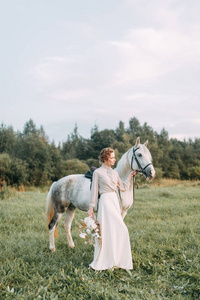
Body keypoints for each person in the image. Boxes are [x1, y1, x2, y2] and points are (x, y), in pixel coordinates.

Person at [87, 147, 136, 270]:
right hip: (105, 202)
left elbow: (123, 187)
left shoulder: (115, 173)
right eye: (112, 158)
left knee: (119, 230)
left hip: (114, 201)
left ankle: (118, 260)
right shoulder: (97, 173)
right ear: (106, 159)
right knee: (108, 231)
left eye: (114, 157)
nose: (115, 160)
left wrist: (129, 177)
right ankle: (106, 260)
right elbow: (94, 192)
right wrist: (91, 207)